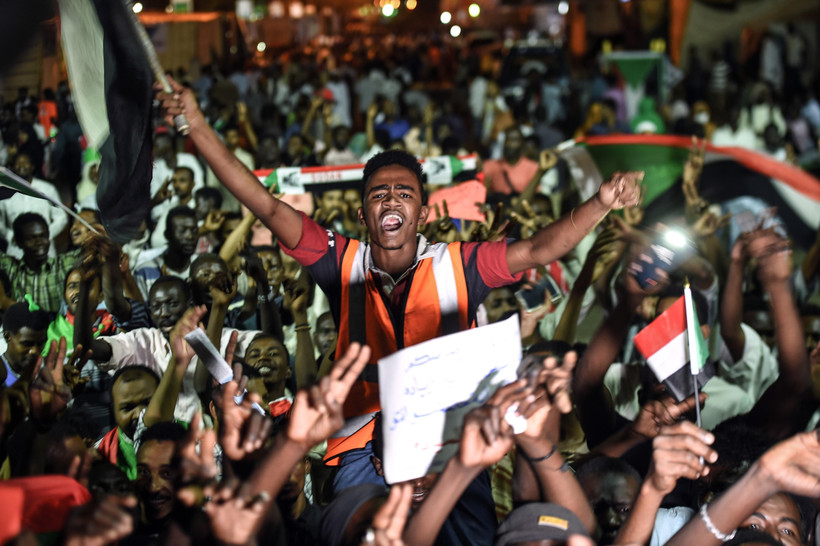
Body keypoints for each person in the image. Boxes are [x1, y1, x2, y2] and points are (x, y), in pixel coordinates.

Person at [157, 77, 641, 490]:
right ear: (365, 212)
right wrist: (195, 126)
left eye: (403, 192)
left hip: (451, 449)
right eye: (378, 194)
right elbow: (264, 205)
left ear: (422, 212)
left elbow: (539, 250)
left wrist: (599, 202)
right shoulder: (337, 260)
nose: (391, 200)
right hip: (359, 449)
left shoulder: (461, 265)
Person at [0, 213, 81, 314]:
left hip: (60, 329)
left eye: (43, 236)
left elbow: (92, 251)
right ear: (19, 242)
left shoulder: (63, 264)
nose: (39, 242)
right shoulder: (11, 268)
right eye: (32, 238)